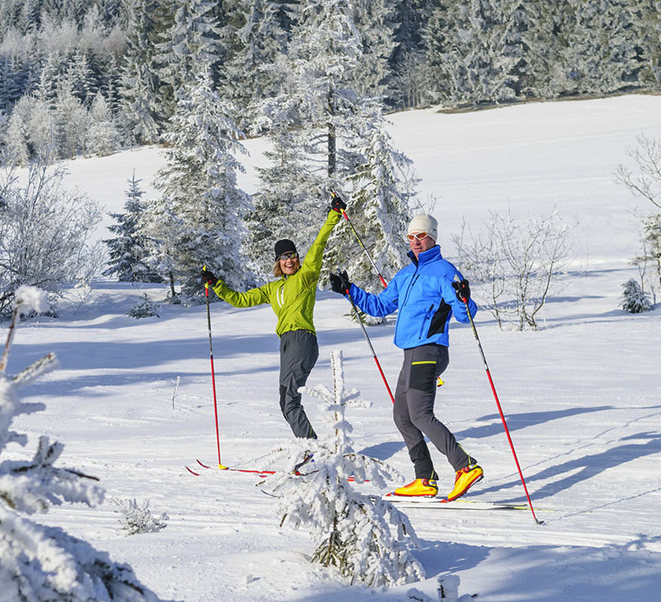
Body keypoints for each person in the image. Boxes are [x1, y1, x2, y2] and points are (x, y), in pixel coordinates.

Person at [329, 213, 482, 501]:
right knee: (403, 416)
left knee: (420, 414)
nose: (416, 242)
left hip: (430, 349)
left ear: (433, 237)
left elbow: (465, 315)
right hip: (412, 353)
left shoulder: (444, 272)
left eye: (421, 236)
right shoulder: (406, 274)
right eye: (411, 237)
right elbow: (379, 306)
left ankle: (466, 467)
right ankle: (424, 478)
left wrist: (464, 298)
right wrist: (350, 290)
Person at [201, 195, 345, 439]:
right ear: (278, 262)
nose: (290, 260)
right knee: (284, 400)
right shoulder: (272, 288)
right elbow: (240, 299)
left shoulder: (305, 277)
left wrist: (335, 214)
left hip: (302, 339)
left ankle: (311, 449)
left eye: (293, 255)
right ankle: (309, 446)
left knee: (290, 399)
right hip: (286, 343)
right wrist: (216, 284)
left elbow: (318, 245)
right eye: (284, 257)